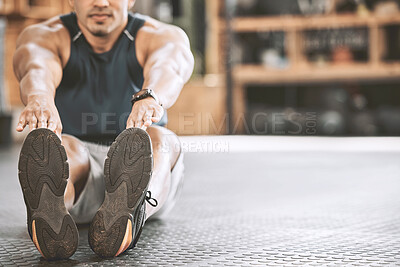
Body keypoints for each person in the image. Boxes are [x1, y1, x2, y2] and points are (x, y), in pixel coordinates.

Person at [13, 0, 194, 260]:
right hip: (80, 171)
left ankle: (134, 210)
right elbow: (37, 66)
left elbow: (169, 65)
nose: (100, 2)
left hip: (147, 168)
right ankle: (51, 215)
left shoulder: (158, 35)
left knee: (161, 140)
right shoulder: (46, 35)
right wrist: (39, 97)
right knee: (64, 146)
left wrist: (150, 96)